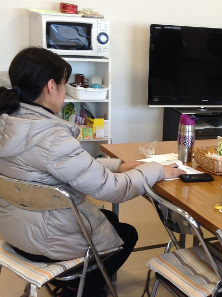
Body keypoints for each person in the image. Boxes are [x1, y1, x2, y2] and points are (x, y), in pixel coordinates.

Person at [0, 47, 185, 297]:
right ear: (51, 86)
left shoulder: (9, 122)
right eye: (65, 84)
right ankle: (79, 288)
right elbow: (114, 190)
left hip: (16, 234)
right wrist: (156, 170)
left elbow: (65, 166)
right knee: (126, 234)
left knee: (111, 222)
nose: (65, 93)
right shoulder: (52, 138)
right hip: (47, 244)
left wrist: (118, 166)